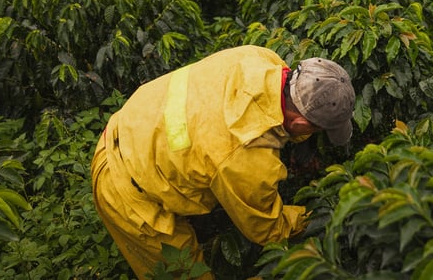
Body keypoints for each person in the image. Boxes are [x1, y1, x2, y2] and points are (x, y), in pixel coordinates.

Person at [91, 45, 356, 279]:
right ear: (300, 123)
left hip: (130, 126)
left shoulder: (260, 58)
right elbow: (267, 227)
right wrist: (321, 216)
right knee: (186, 273)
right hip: (124, 190)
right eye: (315, 130)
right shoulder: (246, 157)